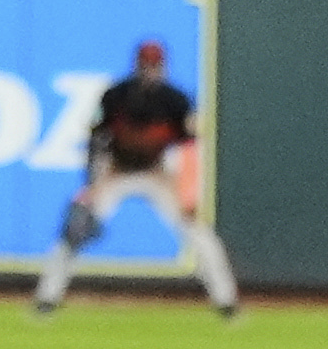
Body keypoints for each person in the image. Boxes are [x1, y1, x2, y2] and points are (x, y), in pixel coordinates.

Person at [33, 32, 241, 320]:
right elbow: (96, 142)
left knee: (200, 234)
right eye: (146, 64)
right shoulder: (115, 96)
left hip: (157, 174)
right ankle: (46, 300)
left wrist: (188, 194)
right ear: (136, 65)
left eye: (155, 65)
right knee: (75, 230)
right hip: (115, 172)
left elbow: (191, 150)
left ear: (164, 67)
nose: (150, 70)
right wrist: (91, 186)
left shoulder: (176, 101)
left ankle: (226, 304)